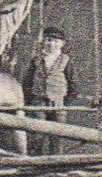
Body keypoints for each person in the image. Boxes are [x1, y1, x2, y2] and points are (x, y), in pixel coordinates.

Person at [22, 27, 77, 156]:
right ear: (44, 42)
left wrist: (64, 102)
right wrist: (30, 101)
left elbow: (73, 85)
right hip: (38, 103)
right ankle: (34, 163)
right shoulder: (36, 60)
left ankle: (56, 165)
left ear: (62, 44)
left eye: (56, 41)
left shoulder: (66, 61)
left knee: (57, 136)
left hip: (58, 104)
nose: (51, 44)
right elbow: (27, 83)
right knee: (36, 135)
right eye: (49, 40)